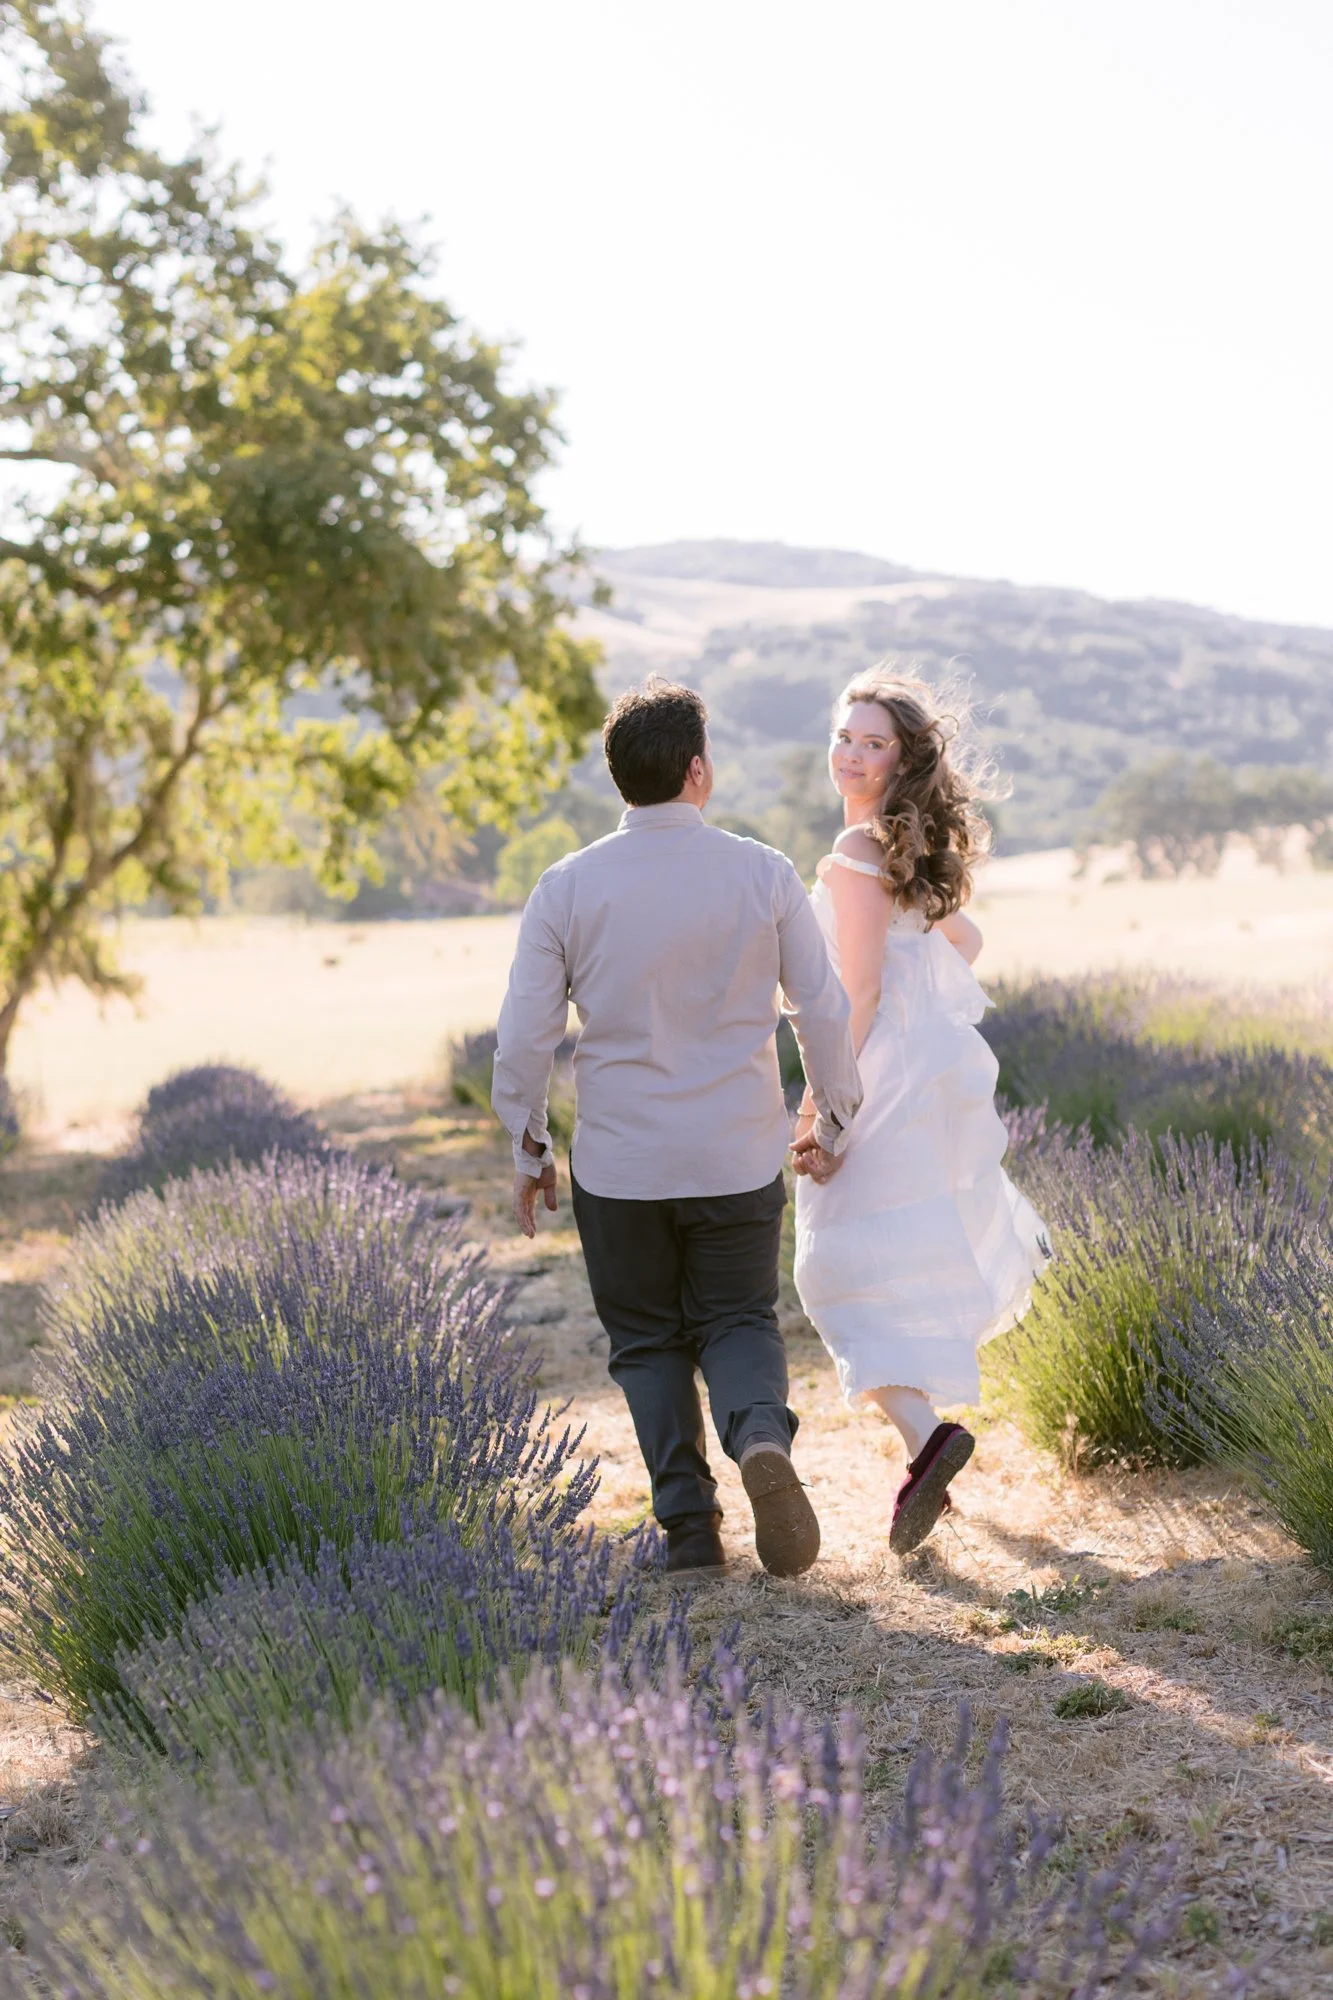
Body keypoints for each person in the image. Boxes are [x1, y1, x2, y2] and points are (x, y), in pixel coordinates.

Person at [492, 677, 862, 1578]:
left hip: (621, 1168)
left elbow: (524, 1035)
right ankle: (761, 1437)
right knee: (738, 1318)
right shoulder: (763, 872)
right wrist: (835, 1117)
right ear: (697, 771)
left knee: (648, 1340)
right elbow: (819, 1006)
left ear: (622, 779)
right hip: (735, 1154)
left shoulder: (566, 887)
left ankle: (690, 1530)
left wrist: (528, 1146)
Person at [792, 669, 1049, 1555]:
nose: (851, 755)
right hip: (923, 1068)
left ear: (901, 760)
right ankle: (922, 1445)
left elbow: (854, 990)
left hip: (877, 1073)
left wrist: (823, 1106)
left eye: (873, 743)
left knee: (828, 1268)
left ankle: (927, 1439)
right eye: (844, 736)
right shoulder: (900, 850)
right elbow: (962, 942)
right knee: (879, 1245)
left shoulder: (856, 852)